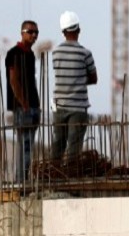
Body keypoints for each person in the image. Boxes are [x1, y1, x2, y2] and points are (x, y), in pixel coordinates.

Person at [50, 11, 97, 163]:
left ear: (63, 32)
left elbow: (61, 74)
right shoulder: (85, 53)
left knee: (58, 145)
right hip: (78, 107)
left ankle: (55, 173)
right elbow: (94, 78)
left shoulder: (56, 53)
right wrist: (79, 80)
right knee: (74, 150)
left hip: (59, 106)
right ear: (79, 30)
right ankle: (70, 173)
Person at [5, 19, 41, 182]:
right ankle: (21, 181)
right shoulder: (14, 53)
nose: (34, 35)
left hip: (33, 106)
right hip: (22, 108)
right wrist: (24, 104)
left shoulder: (31, 55)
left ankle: (23, 179)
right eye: (30, 32)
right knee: (24, 145)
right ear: (22, 33)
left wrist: (35, 105)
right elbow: (13, 81)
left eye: (36, 32)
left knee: (29, 145)